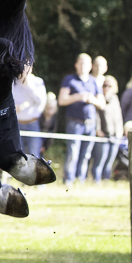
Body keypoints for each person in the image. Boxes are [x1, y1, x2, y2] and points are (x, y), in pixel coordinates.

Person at [57, 53, 104, 184]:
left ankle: (81, 179)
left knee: (86, 154)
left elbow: (102, 103)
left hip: (91, 123)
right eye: (81, 63)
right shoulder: (70, 80)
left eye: (86, 64)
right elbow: (61, 100)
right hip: (74, 122)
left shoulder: (94, 82)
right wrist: (78, 97)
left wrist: (91, 99)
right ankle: (69, 180)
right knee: (73, 152)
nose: (83, 66)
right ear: (76, 65)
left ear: (90, 66)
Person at [92, 75, 125, 182]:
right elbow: (95, 115)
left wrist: (120, 131)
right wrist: (97, 129)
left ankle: (106, 181)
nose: (107, 88)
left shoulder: (115, 99)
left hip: (115, 135)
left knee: (109, 162)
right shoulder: (99, 98)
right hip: (103, 135)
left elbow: (119, 116)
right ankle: (96, 181)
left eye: (109, 86)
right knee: (99, 161)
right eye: (105, 85)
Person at [12, 66, 47, 161]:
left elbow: (40, 100)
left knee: (34, 155)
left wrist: (27, 84)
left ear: (30, 68)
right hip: (17, 124)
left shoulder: (37, 82)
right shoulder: (13, 81)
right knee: (18, 156)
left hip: (32, 124)